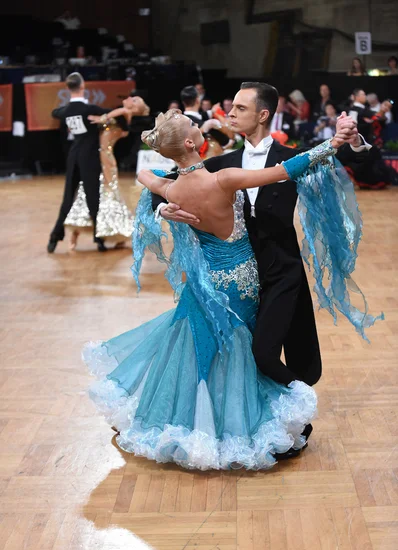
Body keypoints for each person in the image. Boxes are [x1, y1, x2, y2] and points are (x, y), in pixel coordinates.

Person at [83, 108, 381, 470]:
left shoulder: (171, 186)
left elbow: (146, 174)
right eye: (195, 126)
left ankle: (197, 425)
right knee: (236, 351)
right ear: (192, 143)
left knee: (197, 349)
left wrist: (165, 210)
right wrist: (332, 144)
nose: (202, 125)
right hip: (240, 279)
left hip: (204, 280)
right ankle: (238, 424)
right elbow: (286, 170)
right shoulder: (224, 179)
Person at [152, 82, 374, 442]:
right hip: (239, 278)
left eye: (239, 108)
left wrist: (352, 139)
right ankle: (263, 427)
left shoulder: (293, 155)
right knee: (240, 358)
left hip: (282, 271)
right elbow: (162, 184)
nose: (230, 114)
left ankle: (300, 410)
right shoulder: (220, 164)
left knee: (264, 353)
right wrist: (165, 207)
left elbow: (352, 158)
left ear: (262, 114)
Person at [63, 96, 139, 250]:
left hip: (106, 159)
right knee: (86, 192)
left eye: (134, 99)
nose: (129, 98)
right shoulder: (113, 118)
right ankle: (74, 235)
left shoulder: (125, 114)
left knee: (108, 193)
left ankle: (117, 233)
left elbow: (121, 111)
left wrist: (102, 118)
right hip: (92, 157)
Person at [47, 72, 109, 253]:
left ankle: (54, 237)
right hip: (88, 158)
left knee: (68, 199)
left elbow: (55, 112)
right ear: (83, 87)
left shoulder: (66, 111)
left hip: (73, 156)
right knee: (93, 198)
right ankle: (99, 239)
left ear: (67, 88)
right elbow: (110, 113)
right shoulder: (89, 109)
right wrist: (102, 118)